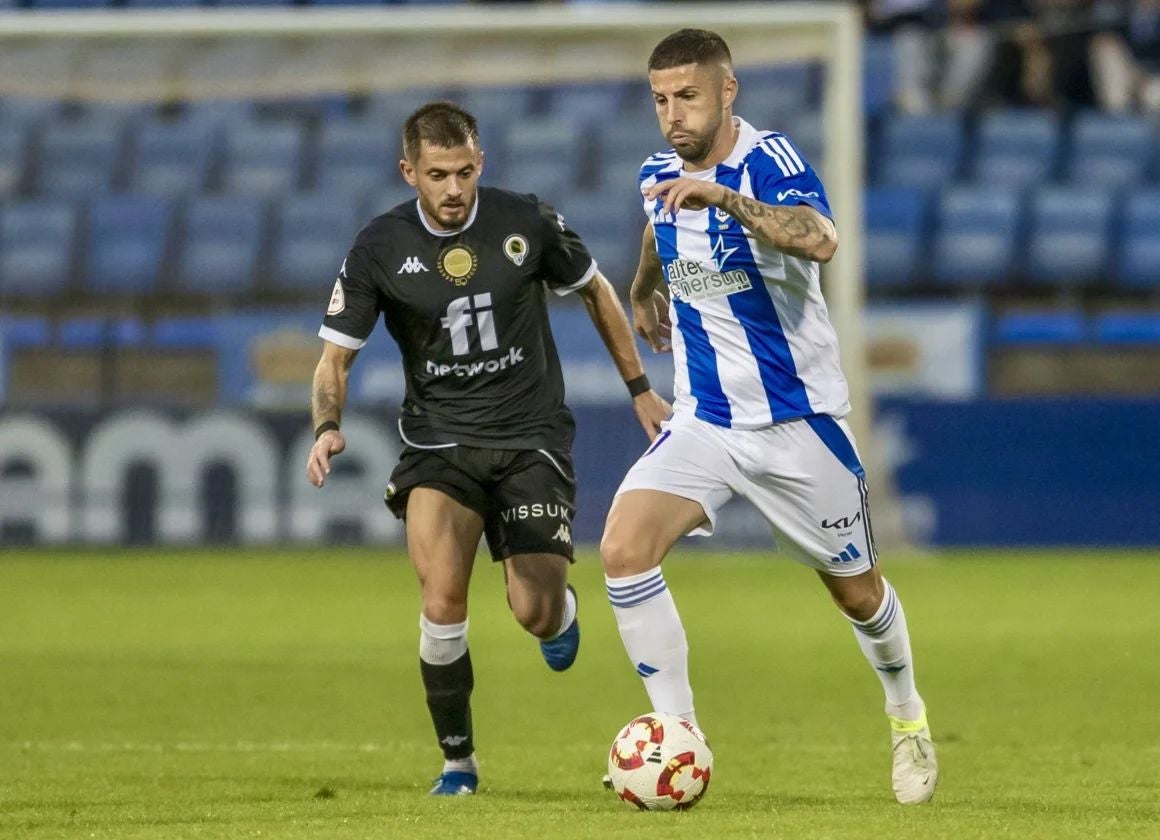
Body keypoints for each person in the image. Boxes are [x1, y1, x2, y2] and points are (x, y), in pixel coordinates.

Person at [598, 29, 939, 805]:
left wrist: (724, 197)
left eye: (687, 95)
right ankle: (679, 737)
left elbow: (820, 238)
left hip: (798, 423)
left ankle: (907, 717)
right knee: (623, 549)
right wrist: (646, 281)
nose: (672, 114)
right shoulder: (657, 171)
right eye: (660, 99)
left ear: (728, 91)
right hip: (707, 420)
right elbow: (660, 224)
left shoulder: (770, 160)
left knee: (856, 593)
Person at [305, 101, 669, 797]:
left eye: (465, 171)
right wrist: (327, 426)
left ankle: (558, 615)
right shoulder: (378, 247)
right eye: (437, 174)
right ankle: (458, 763)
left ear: (482, 163)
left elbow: (595, 291)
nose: (453, 189)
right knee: (442, 598)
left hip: (530, 436)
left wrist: (639, 389)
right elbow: (334, 360)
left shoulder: (526, 220)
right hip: (438, 445)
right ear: (408, 170)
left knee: (534, 608)